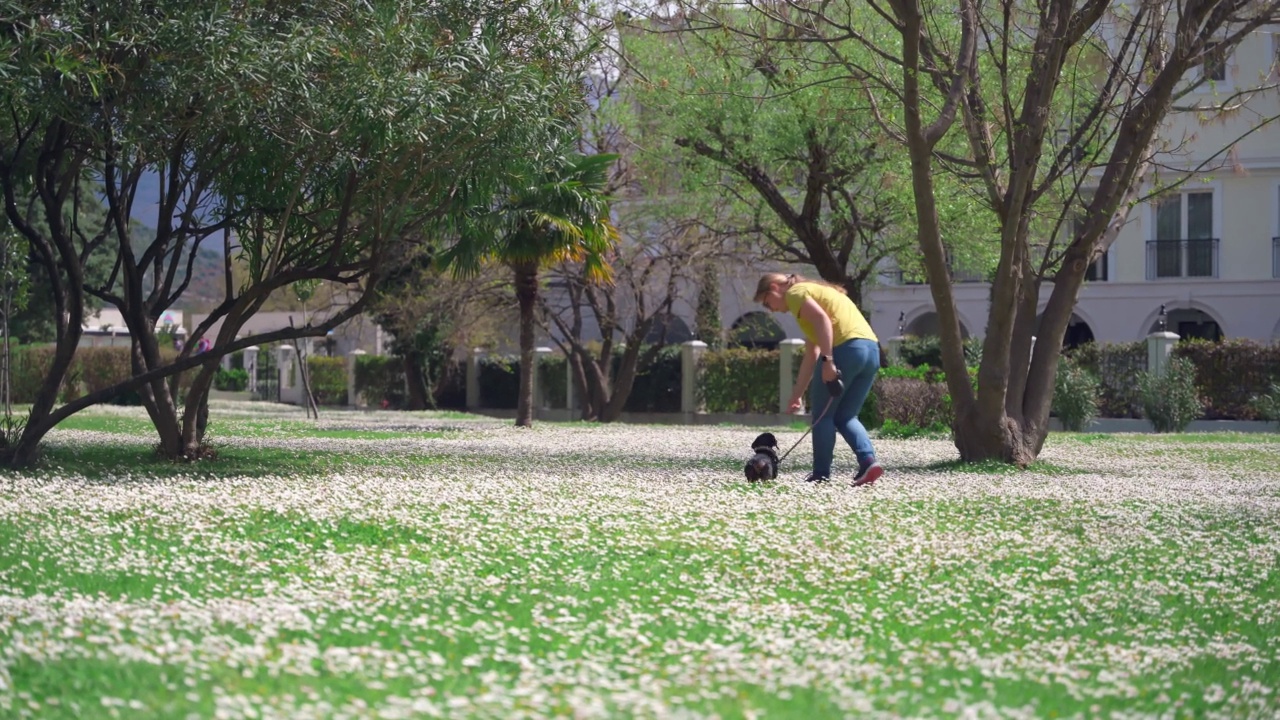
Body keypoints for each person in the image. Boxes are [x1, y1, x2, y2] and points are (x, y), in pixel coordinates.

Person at [755, 272, 883, 486]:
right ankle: (868, 462)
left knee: (823, 417)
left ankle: (820, 475)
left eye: (768, 303)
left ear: (775, 287)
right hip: (871, 351)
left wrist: (829, 361)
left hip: (846, 350)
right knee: (846, 416)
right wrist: (797, 395)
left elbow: (823, 322)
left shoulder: (796, 293)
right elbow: (811, 354)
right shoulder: (819, 294)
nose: (772, 310)